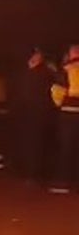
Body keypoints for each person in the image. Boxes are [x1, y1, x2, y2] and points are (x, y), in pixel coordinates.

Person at [12, 47, 57, 184]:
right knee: (33, 144)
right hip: (32, 114)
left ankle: (34, 174)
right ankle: (32, 173)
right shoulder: (33, 72)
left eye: (38, 55)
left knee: (36, 145)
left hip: (37, 114)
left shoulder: (43, 73)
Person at [48, 44, 79, 194]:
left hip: (68, 113)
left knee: (66, 148)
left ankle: (62, 183)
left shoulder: (66, 70)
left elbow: (57, 92)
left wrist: (61, 104)